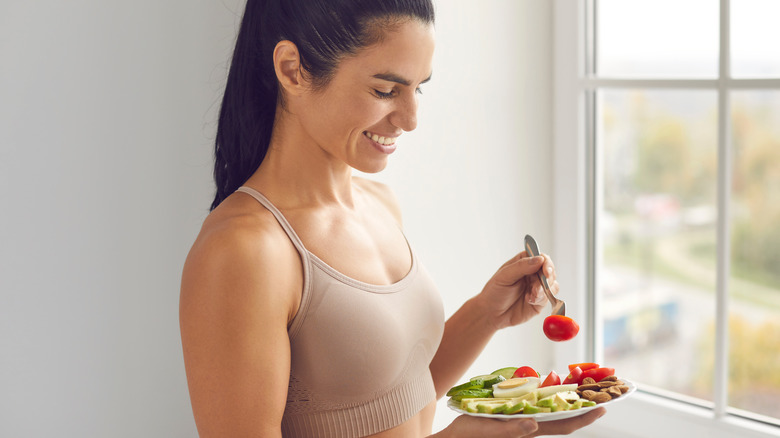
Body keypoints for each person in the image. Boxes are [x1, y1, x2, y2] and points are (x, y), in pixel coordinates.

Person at [179, 0, 606, 436]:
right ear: (292, 69)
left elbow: (390, 399)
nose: (411, 119)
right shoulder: (244, 251)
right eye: (386, 91)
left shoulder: (379, 203)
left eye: (418, 88)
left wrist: (487, 315)